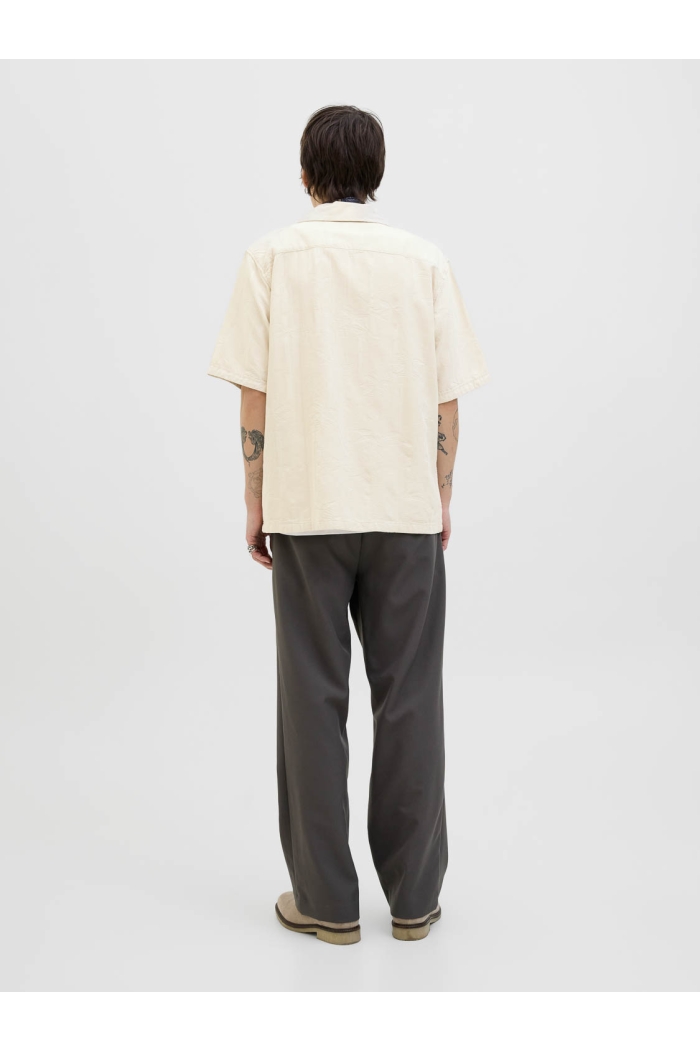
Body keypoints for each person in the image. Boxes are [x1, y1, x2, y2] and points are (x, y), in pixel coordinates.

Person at [207, 104, 489, 945]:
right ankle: (413, 900)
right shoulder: (424, 260)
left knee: (311, 702)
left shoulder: (270, 257)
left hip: (308, 508)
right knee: (411, 703)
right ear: (378, 174)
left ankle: (326, 903)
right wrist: (440, 494)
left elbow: (253, 394)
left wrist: (255, 498)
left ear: (305, 175)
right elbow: (447, 400)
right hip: (404, 511)